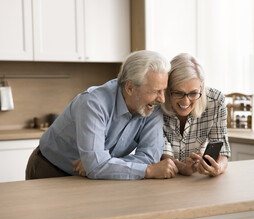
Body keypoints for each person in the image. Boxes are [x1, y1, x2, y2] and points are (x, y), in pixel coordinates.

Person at [26, 50, 179, 180]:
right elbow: (97, 166)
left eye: (163, 90)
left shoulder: (152, 106)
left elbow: (149, 157)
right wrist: (148, 171)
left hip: (92, 177)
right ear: (130, 88)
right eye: (155, 91)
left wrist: (105, 165)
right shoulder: (93, 103)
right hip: (50, 169)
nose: (162, 99)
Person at [161, 53, 231, 177]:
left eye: (193, 93)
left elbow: (222, 150)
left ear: (201, 87)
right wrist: (182, 167)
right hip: (164, 177)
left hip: (195, 181)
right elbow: (161, 149)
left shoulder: (216, 101)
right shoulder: (158, 101)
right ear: (168, 88)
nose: (185, 102)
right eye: (178, 93)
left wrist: (217, 168)